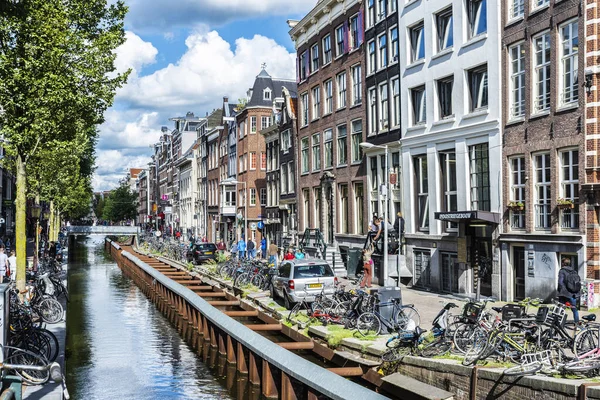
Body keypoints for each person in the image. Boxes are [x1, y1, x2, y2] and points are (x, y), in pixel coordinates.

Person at [557, 257, 581, 323]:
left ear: (563, 263)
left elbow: (560, 282)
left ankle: (559, 323)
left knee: (561, 308)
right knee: (574, 309)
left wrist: (560, 291)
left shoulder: (562, 271)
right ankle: (577, 324)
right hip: (573, 294)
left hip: (564, 293)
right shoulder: (574, 271)